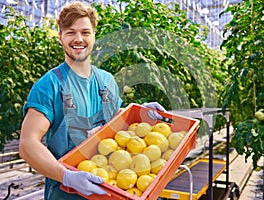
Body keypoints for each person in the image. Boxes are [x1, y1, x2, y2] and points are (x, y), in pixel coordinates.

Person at [19, 2, 165, 200]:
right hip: (66, 195)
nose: (78, 39)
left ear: (94, 35)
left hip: (112, 188)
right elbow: (28, 144)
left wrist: (138, 113)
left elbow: (113, 120)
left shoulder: (106, 80)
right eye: (71, 32)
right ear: (60, 37)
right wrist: (67, 176)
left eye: (85, 32)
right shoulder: (49, 85)